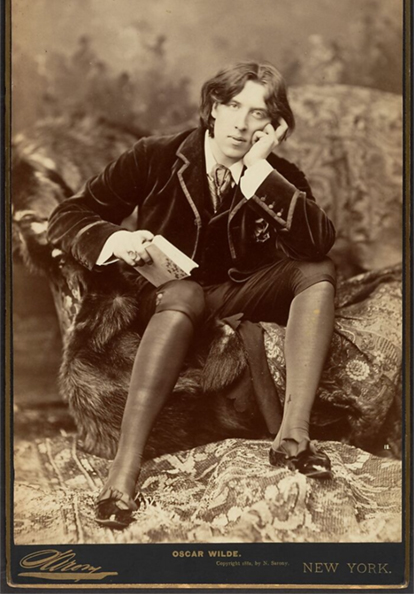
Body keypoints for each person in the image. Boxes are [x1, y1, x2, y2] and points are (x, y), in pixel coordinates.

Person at [47, 60, 336, 529]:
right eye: (234, 106)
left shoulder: (278, 176)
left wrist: (259, 172)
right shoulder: (155, 156)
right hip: (165, 298)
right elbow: (68, 215)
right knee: (184, 292)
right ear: (213, 107)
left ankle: (293, 437)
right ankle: (124, 470)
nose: (242, 123)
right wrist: (117, 239)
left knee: (318, 269)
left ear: (274, 127)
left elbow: (317, 245)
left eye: (258, 114)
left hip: (234, 298)